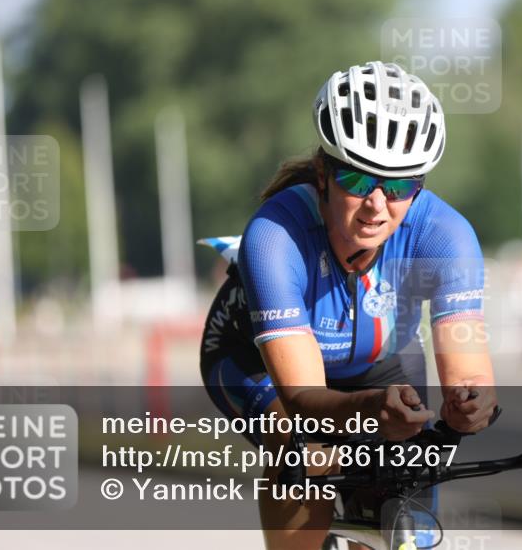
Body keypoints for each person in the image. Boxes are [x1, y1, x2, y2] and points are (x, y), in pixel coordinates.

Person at [200, 61, 498, 550]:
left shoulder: (446, 236)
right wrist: (370, 410)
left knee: (407, 482)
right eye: (358, 182)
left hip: (381, 362)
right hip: (253, 364)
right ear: (323, 173)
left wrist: (471, 404)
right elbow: (302, 401)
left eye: (399, 186)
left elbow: (469, 374)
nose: (377, 205)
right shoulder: (274, 236)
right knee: (304, 446)